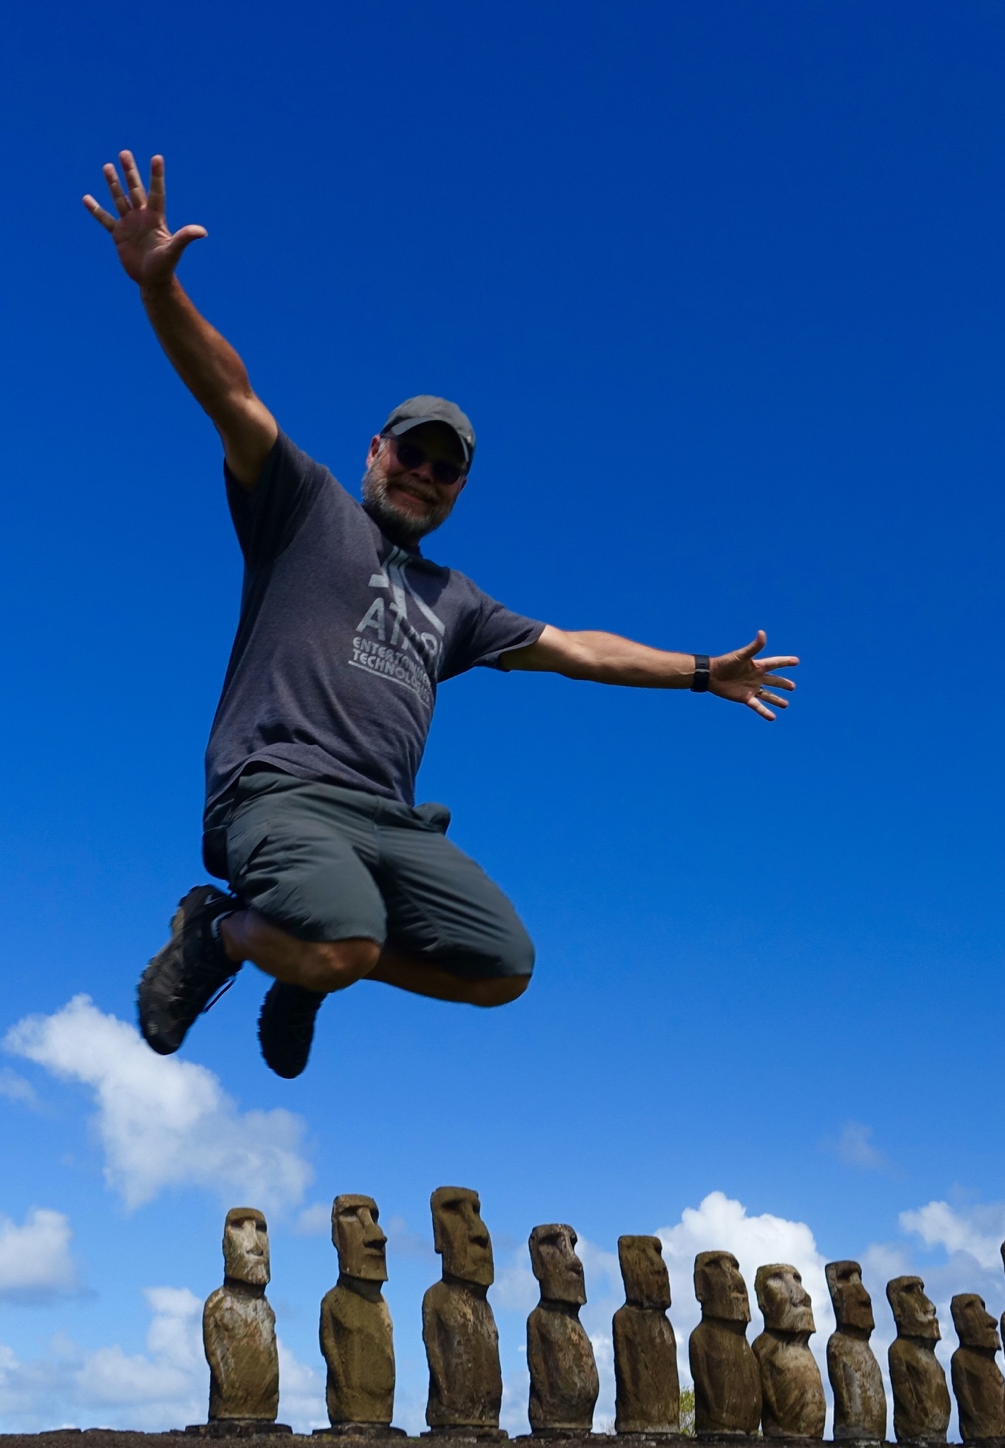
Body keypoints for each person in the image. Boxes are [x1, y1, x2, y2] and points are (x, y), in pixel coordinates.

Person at [83, 151, 801, 1079]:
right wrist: (158, 291)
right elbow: (232, 395)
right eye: (410, 455)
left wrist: (704, 672)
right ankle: (219, 933)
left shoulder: (455, 600)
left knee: (502, 967)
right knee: (342, 939)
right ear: (376, 451)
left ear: (459, 486)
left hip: (389, 822)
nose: (423, 474)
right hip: (282, 791)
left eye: (444, 467)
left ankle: (302, 971)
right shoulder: (302, 510)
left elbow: (579, 650)